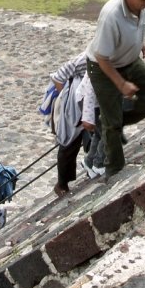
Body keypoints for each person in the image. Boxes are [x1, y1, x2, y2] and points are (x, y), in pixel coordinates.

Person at [85, 0, 145, 178]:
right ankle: (114, 169)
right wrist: (121, 84)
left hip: (130, 60)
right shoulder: (111, 15)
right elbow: (102, 57)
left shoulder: (141, 6)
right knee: (112, 123)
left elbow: (134, 27)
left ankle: (112, 122)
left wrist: (139, 43)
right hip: (104, 68)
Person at [50, 52, 104, 197]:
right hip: (74, 106)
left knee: (94, 137)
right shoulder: (85, 59)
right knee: (69, 144)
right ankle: (62, 184)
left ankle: (92, 166)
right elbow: (58, 77)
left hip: (93, 104)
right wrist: (67, 97)